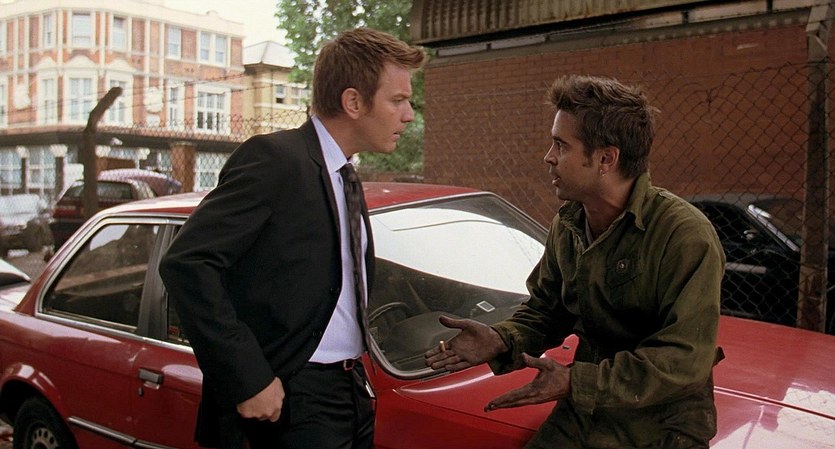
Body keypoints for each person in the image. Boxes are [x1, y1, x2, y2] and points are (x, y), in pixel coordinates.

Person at [425, 75, 725, 449]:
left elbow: (683, 359)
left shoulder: (682, 235)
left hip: (662, 426)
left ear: (606, 158)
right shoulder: (569, 223)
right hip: (585, 412)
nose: (548, 157)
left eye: (561, 145)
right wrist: (501, 339)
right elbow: (547, 310)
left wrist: (573, 381)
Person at [159, 28, 425, 449]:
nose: (408, 114)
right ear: (353, 102)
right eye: (398, 100)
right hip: (291, 397)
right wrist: (249, 379)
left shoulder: (344, 173)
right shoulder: (276, 160)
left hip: (350, 387)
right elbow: (187, 264)